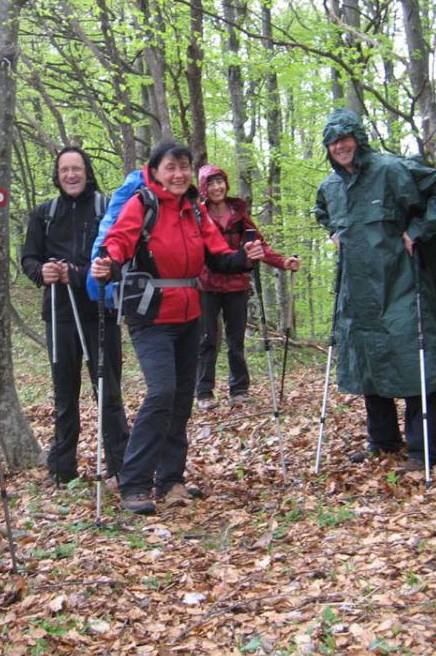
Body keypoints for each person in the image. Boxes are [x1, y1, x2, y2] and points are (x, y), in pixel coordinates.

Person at [90, 141, 264, 514]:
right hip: (150, 315)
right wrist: (107, 261)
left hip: (189, 313)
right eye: (170, 167)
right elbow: (119, 241)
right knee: (162, 392)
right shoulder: (142, 204)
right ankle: (134, 481)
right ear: (154, 172)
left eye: (184, 167)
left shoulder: (195, 212)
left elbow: (218, 255)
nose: (178, 174)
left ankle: (171, 480)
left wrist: (244, 258)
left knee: (182, 397)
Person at [313, 108, 436, 472]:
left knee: (412, 357)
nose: (340, 146)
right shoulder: (331, 187)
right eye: (333, 141)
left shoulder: (391, 170)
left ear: (358, 139)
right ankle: (382, 441)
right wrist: (333, 231)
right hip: (358, 288)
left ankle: (423, 450)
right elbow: (321, 211)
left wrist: (419, 230)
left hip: (401, 283)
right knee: (369, 360)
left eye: (345, 138)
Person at [19, 146, 130, 488]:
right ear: (57, 174)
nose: (71, 175)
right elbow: (28, 258)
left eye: (77, 169)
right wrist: (44, 272)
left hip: (100, 312)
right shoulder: (45, 213)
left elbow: (119, 259)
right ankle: (61, 468)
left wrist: (80, 274)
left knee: (107, 392)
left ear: (87, 171)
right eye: (65, 169)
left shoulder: (107, 208)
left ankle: (121, 467)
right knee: (64, 394)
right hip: (60, 313)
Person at [194, 164, 300, 411]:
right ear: (203, 188)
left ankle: (239, 389)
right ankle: (204, 391)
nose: (216, 187)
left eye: (220, 182)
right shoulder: (197, 215)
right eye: (210, 183)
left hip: (236, 285)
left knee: (235, 340)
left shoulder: (239, 215)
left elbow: (259, 246)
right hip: (206, 284)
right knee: (207, 339)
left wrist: (284, 262)